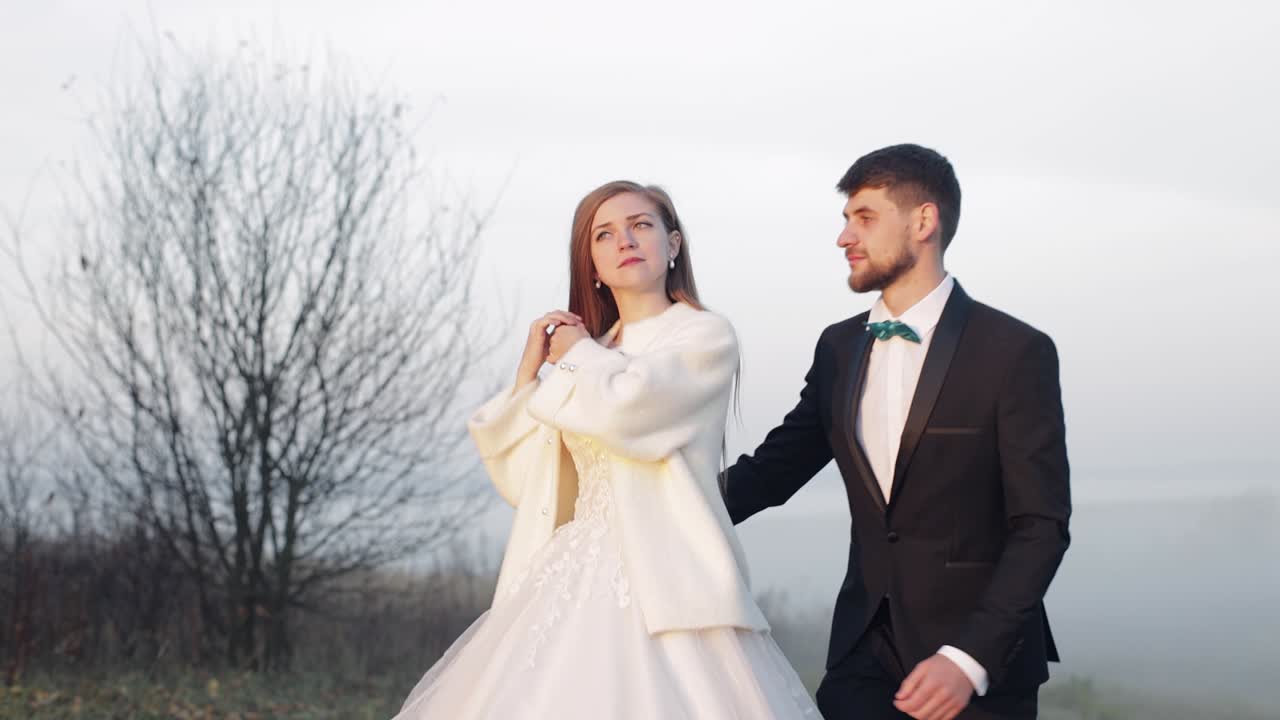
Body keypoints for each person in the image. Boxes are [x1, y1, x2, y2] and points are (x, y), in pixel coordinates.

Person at [392, 180, 818, 719]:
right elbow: (528, 482)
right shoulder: (590, 352)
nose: (625, 241)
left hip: (668, 577)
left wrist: (575, 355)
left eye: (641, 225)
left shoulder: (704, 336)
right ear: (591, 264)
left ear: (673, 244)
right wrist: (529, 374)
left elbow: (628, 411)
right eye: (605, 234)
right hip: (571, 571)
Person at [723, 145, 1071, 720]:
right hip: (861, 656)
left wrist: (968, 659)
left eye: (864, 217)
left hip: (977, 670)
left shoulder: (1014, 352)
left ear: (923, 221)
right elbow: (771, 473)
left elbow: (1040, 526)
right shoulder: (838, 347)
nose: (844, 237)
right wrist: (653, 511)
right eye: (845, 219)